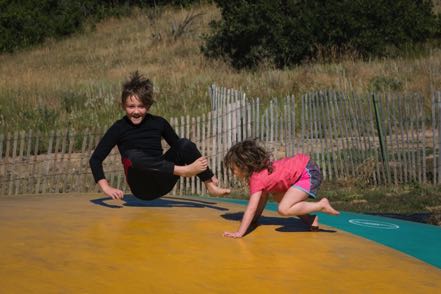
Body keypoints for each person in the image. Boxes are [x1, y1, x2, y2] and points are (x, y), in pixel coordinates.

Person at [89, 71, 230, 201]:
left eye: (141, 106)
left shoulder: (159, 123)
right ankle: (184, 171)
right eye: (131, 106)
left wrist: (209, 174)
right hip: (141, 187)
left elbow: (182, 149)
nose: (136, 111)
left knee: (184, 143)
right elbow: (95, 159)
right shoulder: (118, 128)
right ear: (123, 106)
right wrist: (106, 187)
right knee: (131, 156)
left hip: (163, 181)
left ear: (148, 106)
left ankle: (210, 186)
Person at [222, 139, 339, 238]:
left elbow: (251, 208)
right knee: (277, 195)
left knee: (283, 208)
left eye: (233, 169)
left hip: (307, 173)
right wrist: (254, 219)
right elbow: (261, 200)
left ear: (244, 166)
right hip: (305, 167)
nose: (233, 173)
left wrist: (240, 232)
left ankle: (321, 205)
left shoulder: (257, 179)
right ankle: (310, 220)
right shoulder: (260, 174)